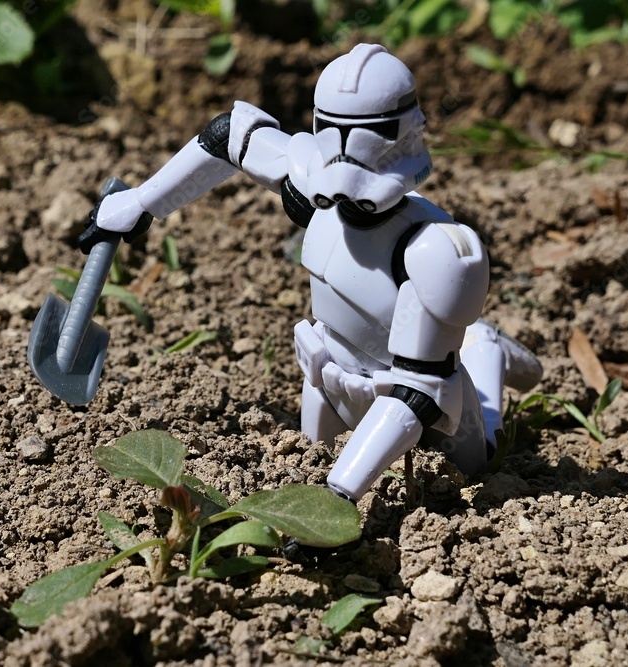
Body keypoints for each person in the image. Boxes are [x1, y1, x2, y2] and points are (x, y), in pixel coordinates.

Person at [79, 44, 542, 501]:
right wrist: (139, 204)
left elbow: (420, 394)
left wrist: (338, 495)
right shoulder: (309, 182)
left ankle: (484, 352)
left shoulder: (435, 249)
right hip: (327, 370)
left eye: (367, 130)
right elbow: (229, 136)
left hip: (408, 389)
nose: (343, 156)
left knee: (478, 465)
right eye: (334, 129)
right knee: (305, 456)